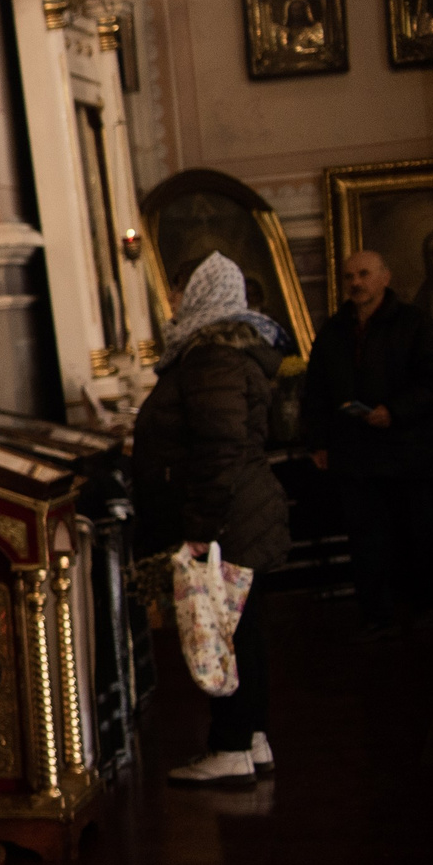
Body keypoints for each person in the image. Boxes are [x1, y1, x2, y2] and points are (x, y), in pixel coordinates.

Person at [132, 252, 291, 786]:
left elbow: (218, 448)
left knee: (227, 632)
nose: (172, 301)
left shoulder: (210, 357)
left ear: (201, 294)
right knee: (243, 630)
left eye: (179, 290)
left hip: (227, 519)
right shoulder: (225, 352)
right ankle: (251, 738)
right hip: (243, 511)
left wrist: (200, 529)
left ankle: (229, 746)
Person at [303, 248, 433, 632]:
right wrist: (319, 441)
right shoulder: (334, 332)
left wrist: (395, 411)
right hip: (355, 455)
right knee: (366, 540)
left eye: (364, 274)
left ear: (385, 278)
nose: (356, 283)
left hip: (407, 452)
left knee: (416, 535)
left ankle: (425, 609)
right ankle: (376, 614)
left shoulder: (414, 325)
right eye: (350, 276)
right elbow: (316, 392)